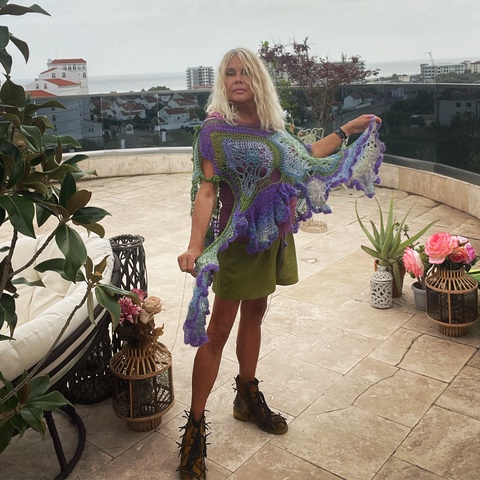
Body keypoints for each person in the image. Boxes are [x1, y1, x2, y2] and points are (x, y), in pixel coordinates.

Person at [177, 47, 384, 479]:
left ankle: (246, 395)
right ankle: (193, 430)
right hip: (237, 241)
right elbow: (207, 189)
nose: (237, 79)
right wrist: (195, 245)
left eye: (245, 72)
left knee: (256, 314)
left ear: (258, 80)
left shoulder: (273, 126)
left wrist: (347, 129)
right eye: (229, 73)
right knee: (218, 330)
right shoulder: (216, 130)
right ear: (222, 82)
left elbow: (305, 157)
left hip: (272, 235)